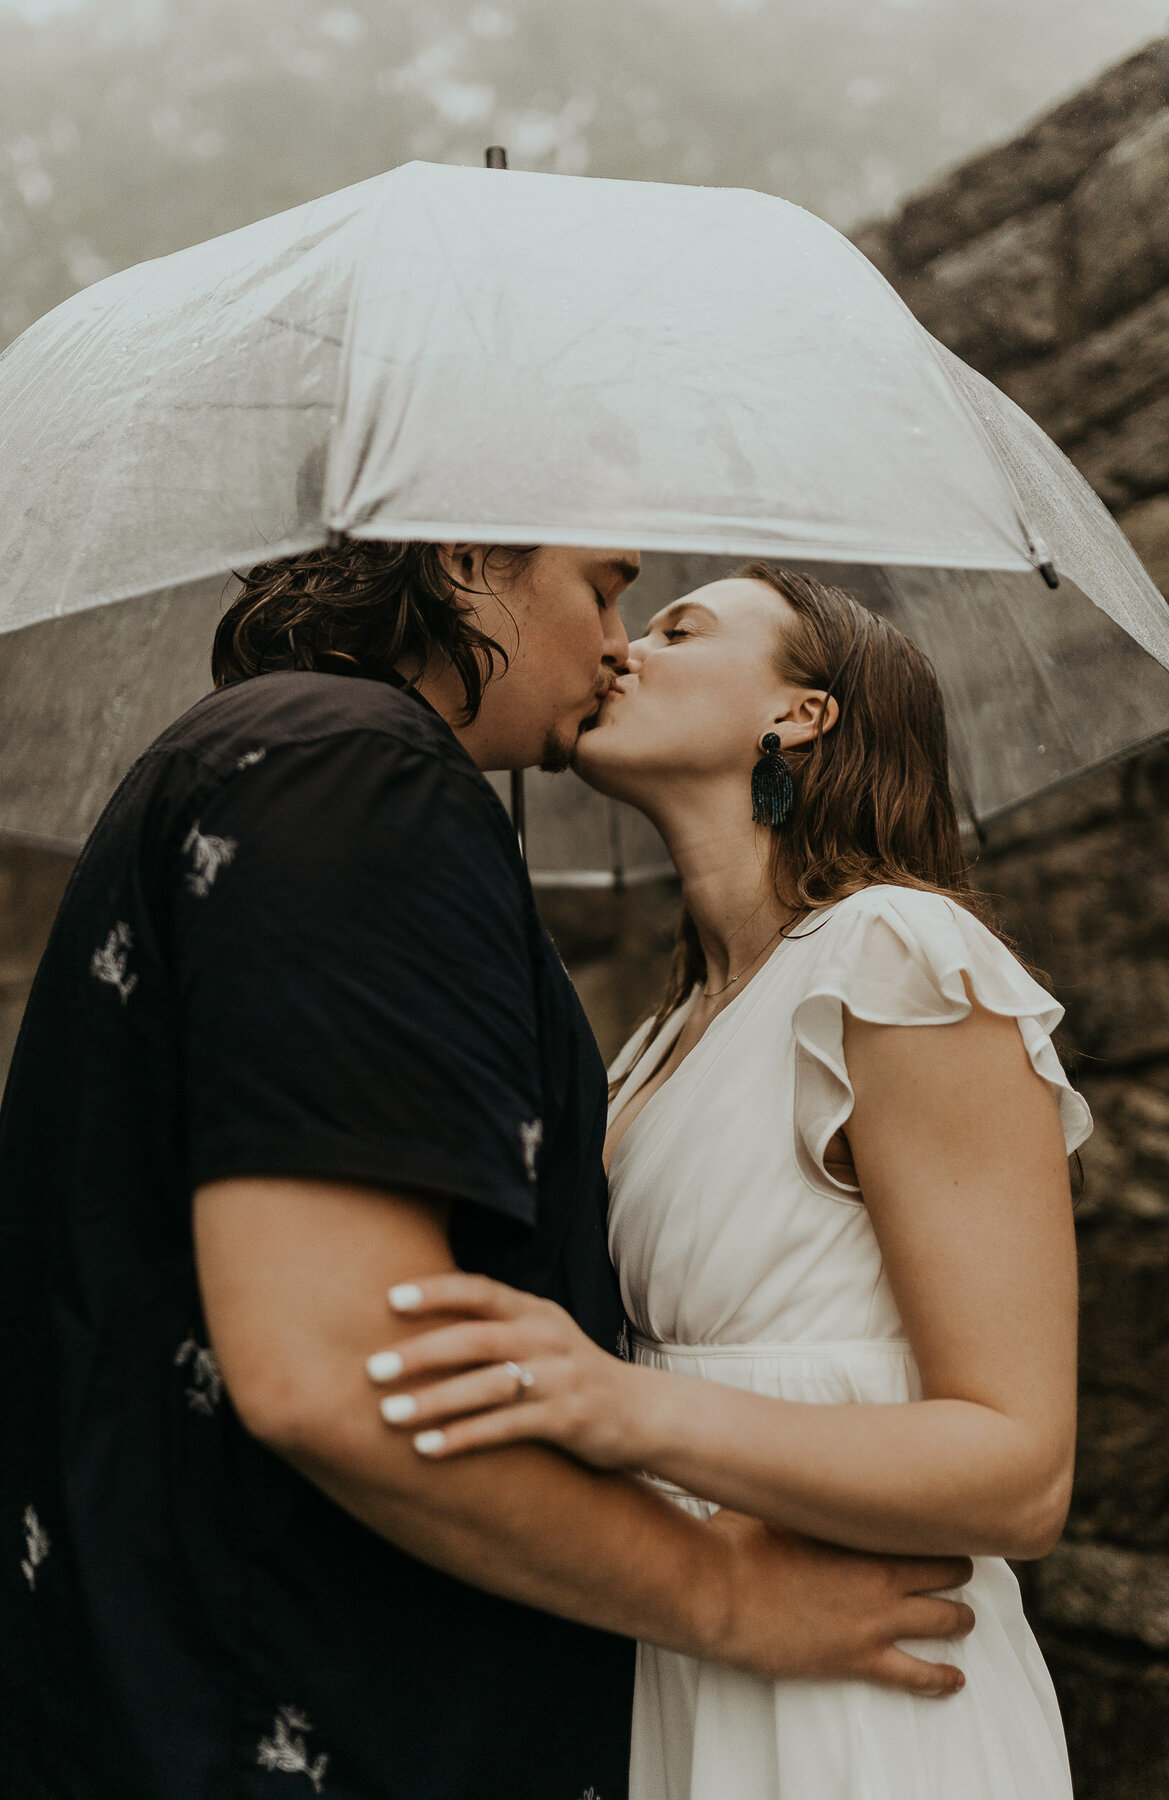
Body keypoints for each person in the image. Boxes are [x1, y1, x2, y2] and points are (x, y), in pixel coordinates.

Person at [0, 542, 974, 1800]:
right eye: (607, 589)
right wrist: (719, 1590)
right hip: (296, 1715)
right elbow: (330, 1369)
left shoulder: (294, 764)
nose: (619, 644)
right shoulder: (359, 773)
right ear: (467, 561)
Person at [362, 563, 1090, 1800]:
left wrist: (624, 1408)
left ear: (798, 716)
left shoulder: (897, 956)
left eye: (676, 629)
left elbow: (1020, 1471)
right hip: (686, 1656)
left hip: (867, 1695)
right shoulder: (661, 1036)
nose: (620, 651)